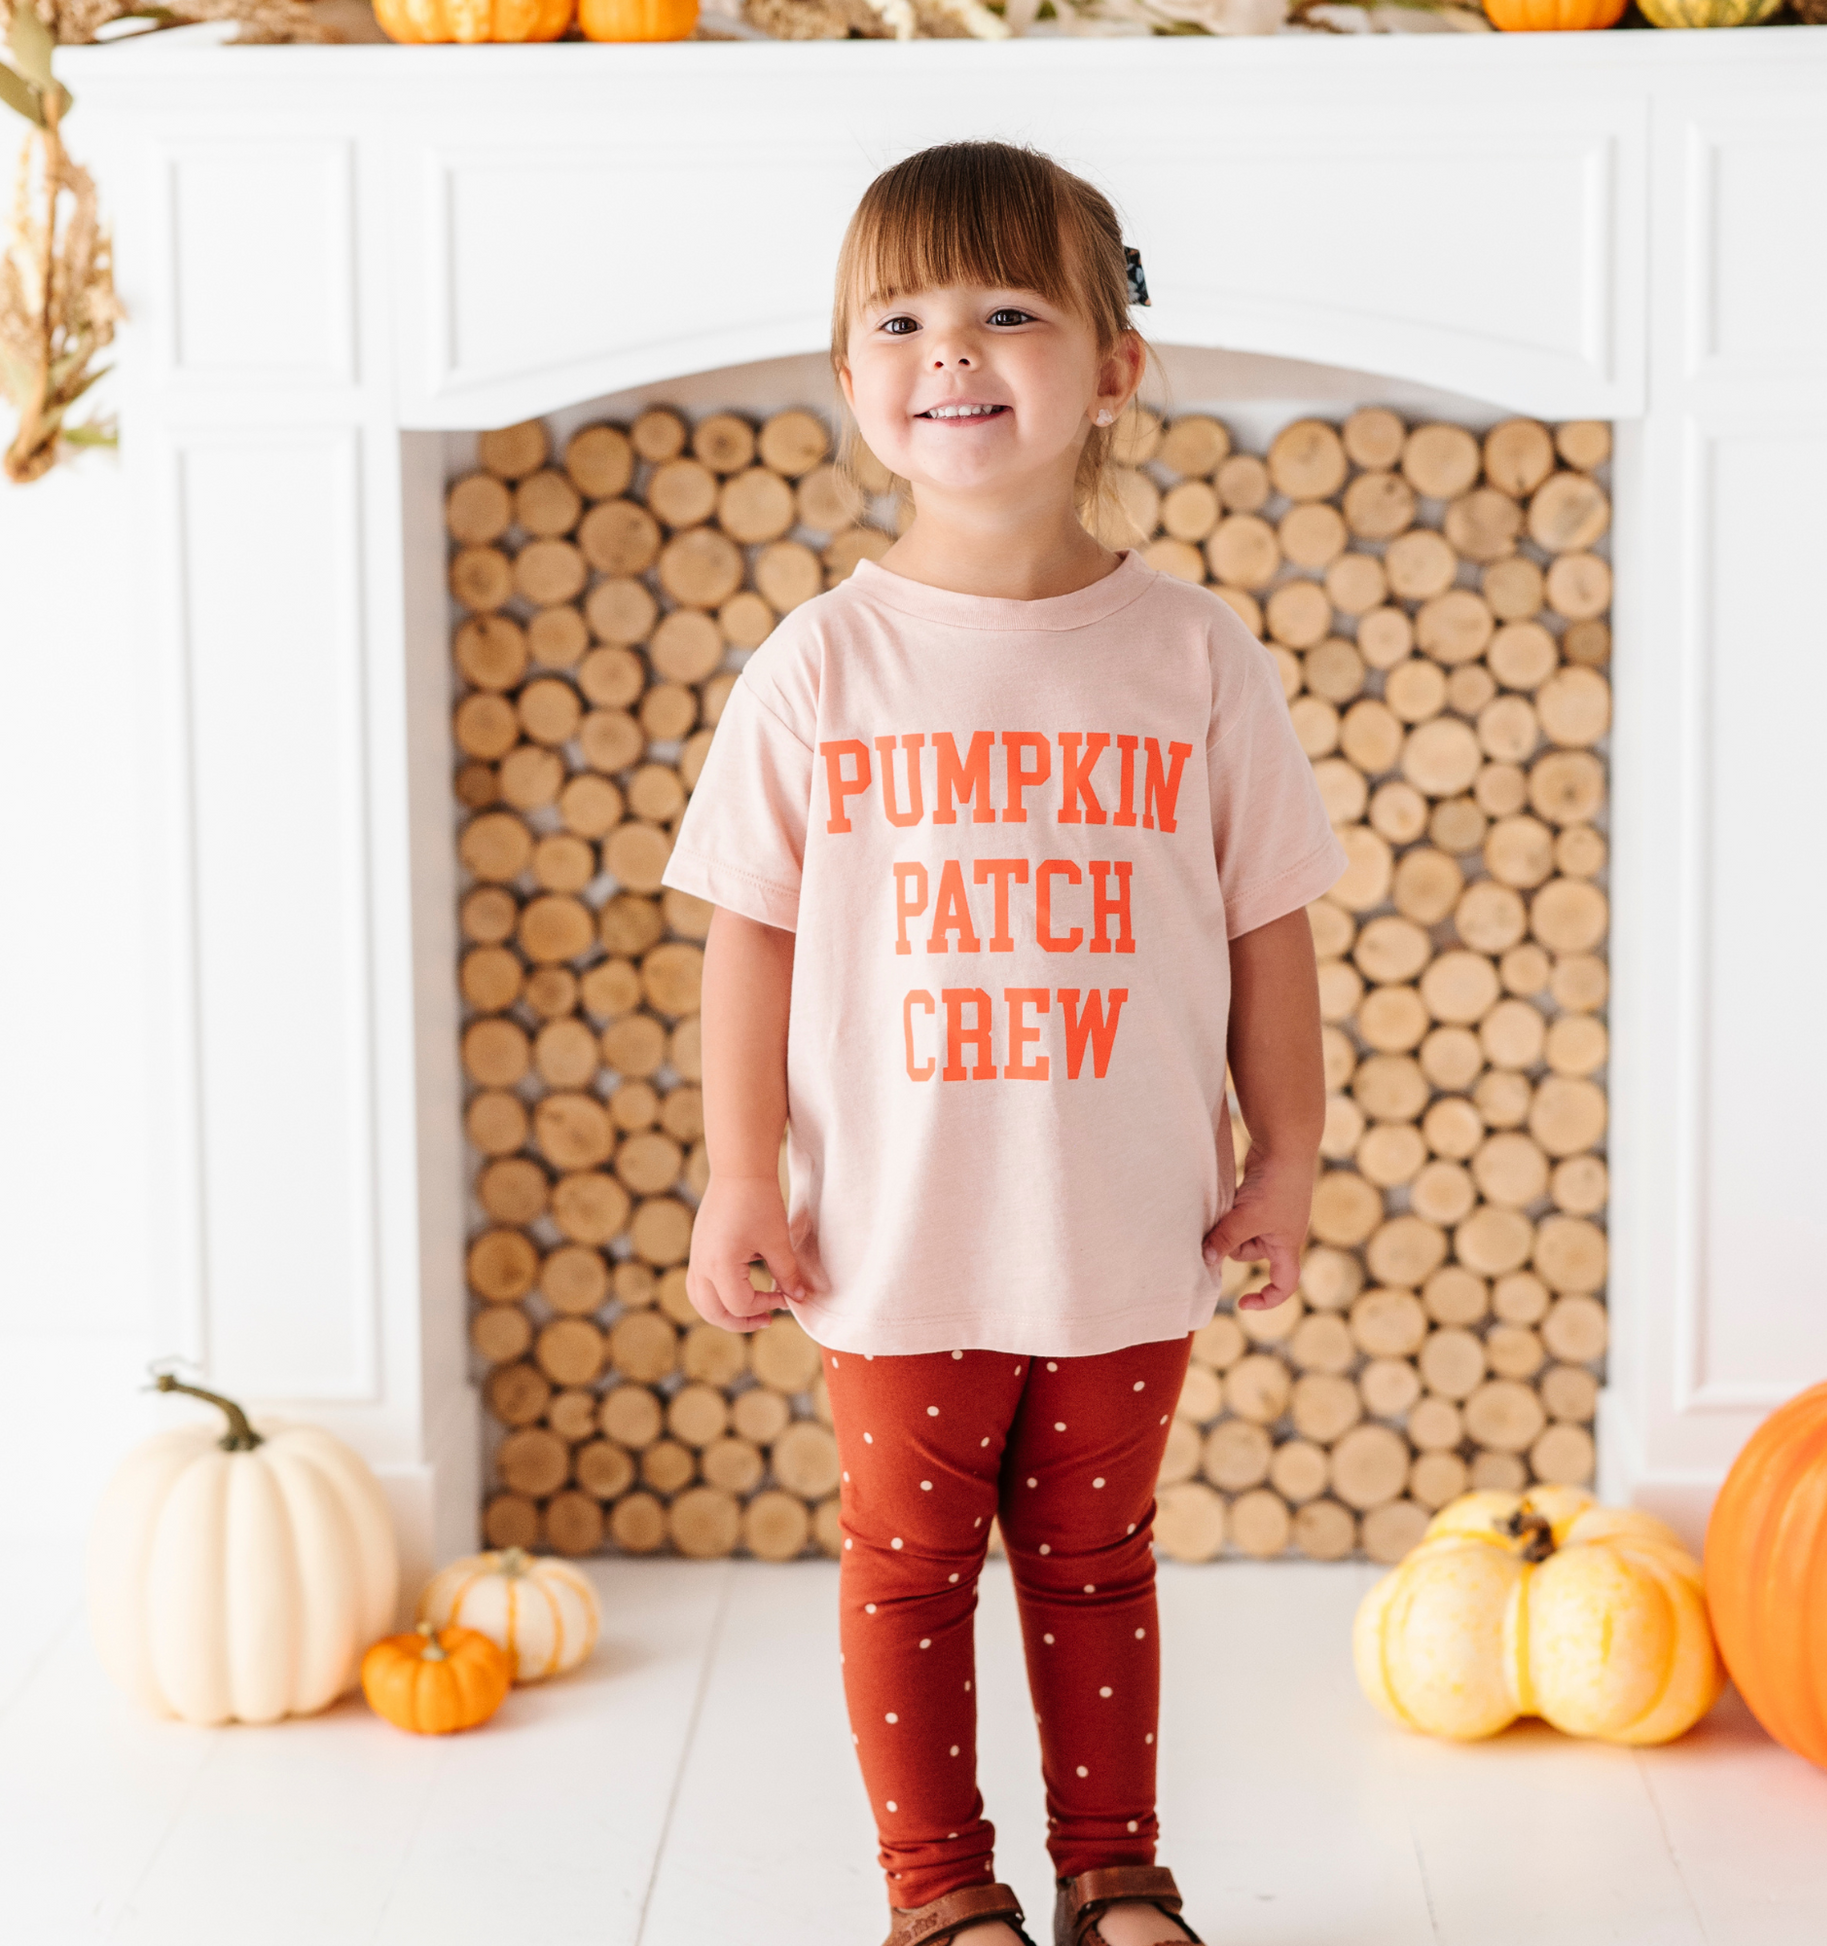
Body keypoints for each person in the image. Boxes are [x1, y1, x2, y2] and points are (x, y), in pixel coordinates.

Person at [659, 140, 1345, 1946]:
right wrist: (741, 1171)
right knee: (905, 1565)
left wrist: (1285, 1156)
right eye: (898, 320)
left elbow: (1267, 927)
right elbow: (751, 932)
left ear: (1113, 367)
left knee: (1097, 1561)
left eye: (1006, 310)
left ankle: (1114, 1868)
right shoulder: (819, 666)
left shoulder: (1194, 656)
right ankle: (941, 1891)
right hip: (893, 1235)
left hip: (1126, 1226)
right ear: (848, 378)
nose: (948, 350)